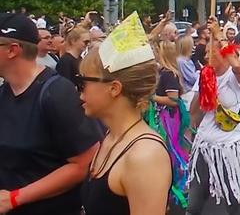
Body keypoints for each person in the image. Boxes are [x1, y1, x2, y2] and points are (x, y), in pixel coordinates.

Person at [0, 13, 101, 215]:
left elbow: (84, 163)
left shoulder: (56, 94)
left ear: (12, 50)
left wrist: (15, 198)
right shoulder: (5, 92)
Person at [78, 13, 172, 215]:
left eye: (84, 82)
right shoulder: (111, 136)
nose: (79, 91)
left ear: (114, 88)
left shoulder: (144, 155)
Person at [187, 21, 240, 214]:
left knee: (236, 201)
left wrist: (218, 33)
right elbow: (193, 112)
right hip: (204, 145)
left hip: (228, 147)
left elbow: (235, 62)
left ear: (223, 54)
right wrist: (203, 87)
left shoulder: (236, 77)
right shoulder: (205, 75)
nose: (207, 57)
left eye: (210, 53)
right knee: (194, 202)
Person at [147, 40, 190, 208]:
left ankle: (169, 191)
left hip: (168, 120)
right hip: (165, 118)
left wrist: (151, 97)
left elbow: (173, 99)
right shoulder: (164, 72)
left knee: (169, 153)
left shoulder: (168, 74)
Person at [176, 34, 198, 110]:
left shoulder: (185, 60)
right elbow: (193, 79)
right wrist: (199, 72)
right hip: (188, 93)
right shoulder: (182, 61)